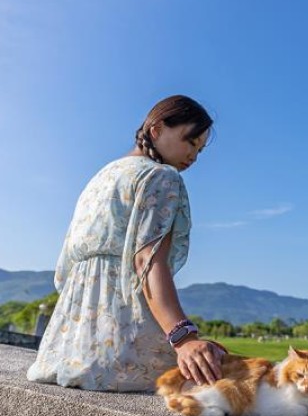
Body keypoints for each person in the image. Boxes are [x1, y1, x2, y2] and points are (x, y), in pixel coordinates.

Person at [27, 95, 225, 391]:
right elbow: (147, 261)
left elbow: (64, 271)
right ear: (157, 129)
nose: (194, 155)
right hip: (120, 345)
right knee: (221, 367)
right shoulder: (161, 176)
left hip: (65, 346)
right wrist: (183, 337)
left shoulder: (101, 177)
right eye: (190, 141)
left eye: (200, 149)